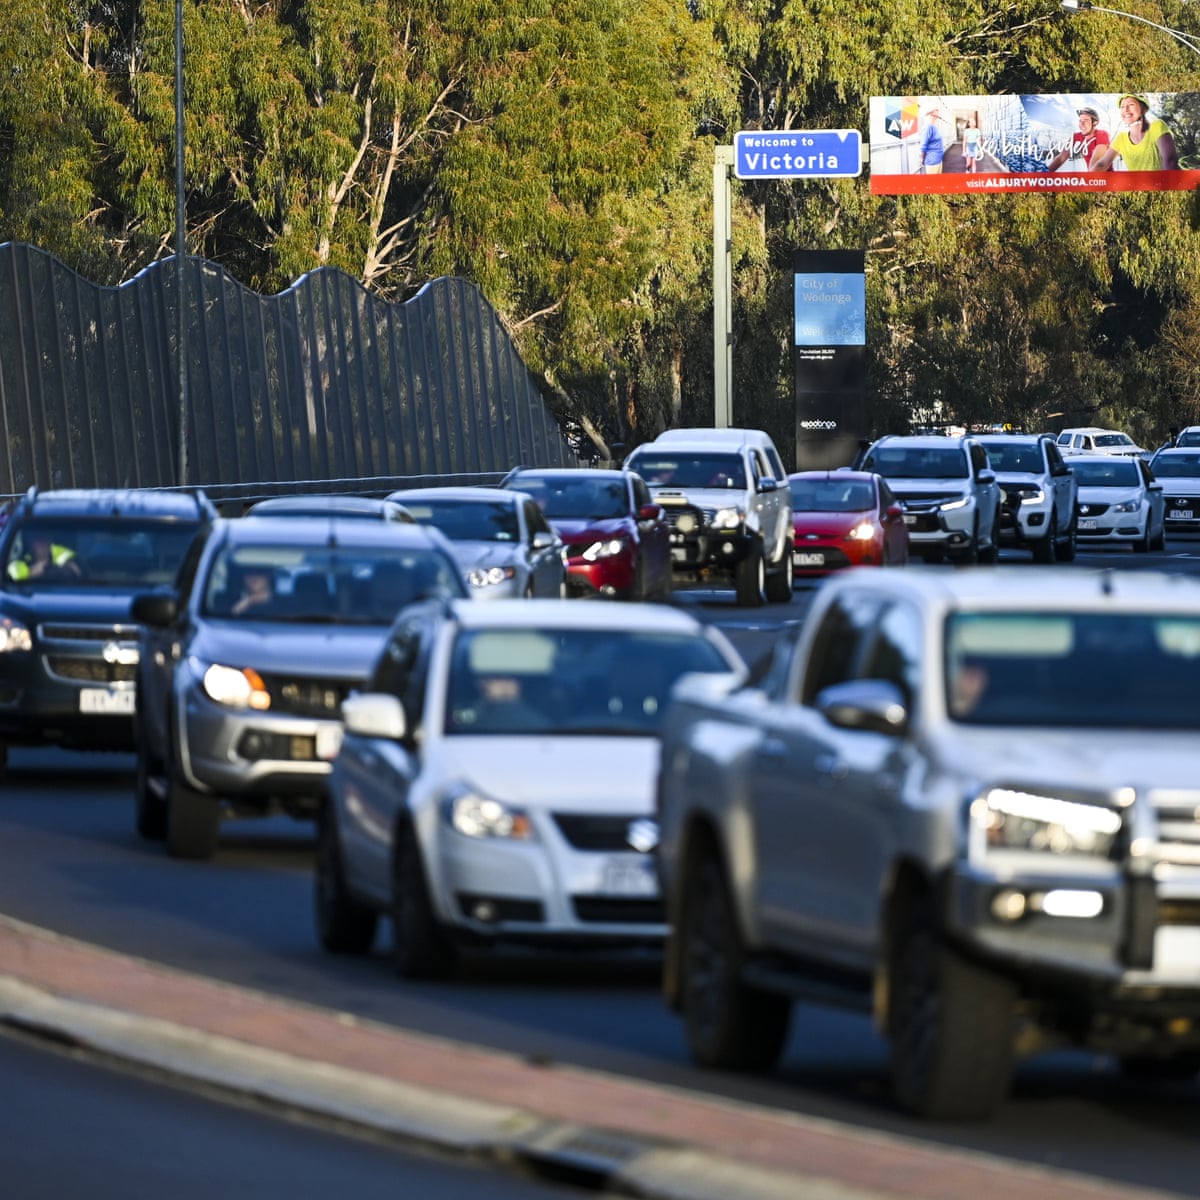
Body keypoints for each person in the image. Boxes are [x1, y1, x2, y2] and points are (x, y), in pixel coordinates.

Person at [1089, 94, 1178, 172]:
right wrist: (1086, 180)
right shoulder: (1121, 138)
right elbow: (1102, 164)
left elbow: (1170, 161)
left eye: (1131, 104)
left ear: (1143, 109)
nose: (1126, 110)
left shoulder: (1157, 126)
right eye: (1122, 107)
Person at [1046, 106, 1110, 171]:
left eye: (1086, 120)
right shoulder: (1076, 137)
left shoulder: (1102, 134)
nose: (1082, 124)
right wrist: (1045, 173)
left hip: (1107, 177)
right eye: (1080, 121)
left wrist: (1090, 177)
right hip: (1091, 177)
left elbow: (1098, 160)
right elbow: (1061, 158)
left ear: (1095, 123)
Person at [7, 532, 82, 581]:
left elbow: (78, 573)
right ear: (30, 542)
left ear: (51, 539)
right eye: (37, 538)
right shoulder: (17, 564)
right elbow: (13, 586)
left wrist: (57, 570)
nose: (42, 542)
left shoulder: (62, 553)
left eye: (45, 537)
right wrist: (31, 575)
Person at [919, 108, 945, 174]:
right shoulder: (928, 127)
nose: (938, 110)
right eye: (936, 110)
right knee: (933, 183)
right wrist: (921, 159)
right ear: (930, 113)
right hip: (932, 161)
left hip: (938, 159)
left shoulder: (934, 127)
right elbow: (923, 145)